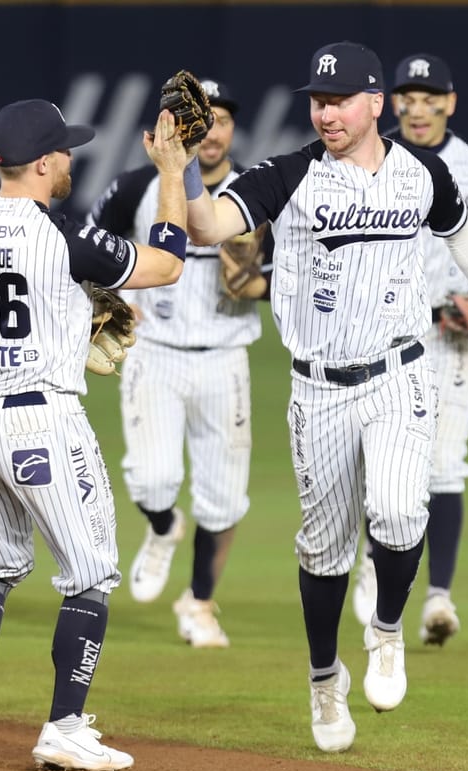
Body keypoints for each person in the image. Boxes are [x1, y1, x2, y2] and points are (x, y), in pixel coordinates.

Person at [180, 42, 468, 753]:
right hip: (317, 388)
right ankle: (323, 680)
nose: (326, 113)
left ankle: (385, 634)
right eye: (317, 101)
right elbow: (208, 226)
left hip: (399, 373)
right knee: (324, 553)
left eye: (340, 99)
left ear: (375, 102)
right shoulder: (288, 175)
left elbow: (462, 228)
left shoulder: (421, 173)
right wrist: (180, 166)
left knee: (403, 510)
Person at [0, 99, 191, 771]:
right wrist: (174, 175)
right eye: (65, 151)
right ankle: (65, 727)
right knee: (91, 572)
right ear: (42, 163)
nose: (71, 159)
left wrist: (59, 317)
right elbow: (167, 265)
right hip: (40, 421)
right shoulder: (65, 238)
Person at [86, 79, 271, 649]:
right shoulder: (139, 187)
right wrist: (108, 298)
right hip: (155, 354)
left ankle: (200, 603)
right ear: (170, 131)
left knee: (224, 495)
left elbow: (294, 275)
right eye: (197, 120)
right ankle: (164, 528)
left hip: (224, 357)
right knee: (153, 478)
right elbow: (87, 249)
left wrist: (257, 283)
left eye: (220, 119)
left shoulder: (258, 193)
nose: (210, 131)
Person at [351, 53, 468, 647]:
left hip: (448, 342)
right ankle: (371, 563)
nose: (417, 107)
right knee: (380, 467)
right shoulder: (373, 159)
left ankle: (438, 597)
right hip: (385, 337)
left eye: (429, 96)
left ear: (449, 103)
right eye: (407, 97)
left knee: (444, 467)